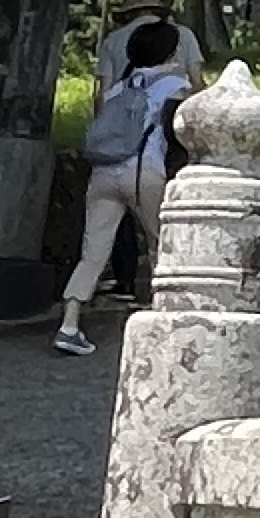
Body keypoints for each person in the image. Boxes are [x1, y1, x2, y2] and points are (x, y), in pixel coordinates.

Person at [56, 19, 190, 357]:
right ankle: (165, 318)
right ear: (170, 51)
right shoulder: (176, 86)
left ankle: (69, 324)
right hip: (144, 170)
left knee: (92, 253)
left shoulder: (118, 88)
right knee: (163, 243)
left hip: (103, 173)